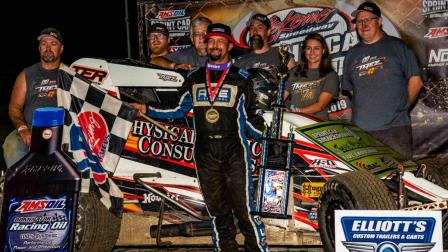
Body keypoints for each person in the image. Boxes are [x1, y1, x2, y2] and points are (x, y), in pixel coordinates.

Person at [131, 23, 269, 252]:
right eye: (211, 41)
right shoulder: (194, 77)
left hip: (234, 150)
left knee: (244, 209)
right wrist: (147, 108)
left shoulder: (242, 78)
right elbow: (176, 108)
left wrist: (266, 135)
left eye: (220, 41)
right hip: (204, 151)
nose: (215, 45)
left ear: (228, 45)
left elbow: (251, 118)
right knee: (218, 211)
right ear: (206, 44)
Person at [342, 1, 423, 160]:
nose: (363, 24)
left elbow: (416, 81)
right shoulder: (351, 55)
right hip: (362, 130)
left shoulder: (397, 46)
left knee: (399, 178)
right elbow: (351, 90)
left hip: (394, 129)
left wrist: (402, 108)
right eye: (359, 21)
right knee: (367, 181)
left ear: (379, 21)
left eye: (368, 20)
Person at [3, 27, 63, 168]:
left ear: (61, 48)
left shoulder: (69, 74)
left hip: (62, 128)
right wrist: (23, 129)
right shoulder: (26, 74)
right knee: (11, 144)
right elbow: (14, 107)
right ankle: (20, 186)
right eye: (44, 44)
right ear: (39, 48)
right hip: (32, 128)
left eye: (53, 44)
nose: (48, 48)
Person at [284, 33, 339, 120]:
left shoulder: (331, 75)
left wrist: (294, 112)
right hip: (293, 122)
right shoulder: (294, 72)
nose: (312, 52)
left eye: (316, 48)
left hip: (316, 126)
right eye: (308, 48)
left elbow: (320, 106)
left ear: (323, 50)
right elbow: (281, 97)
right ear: (304, 51)